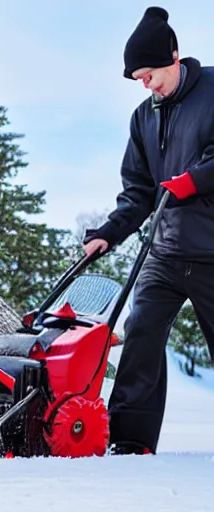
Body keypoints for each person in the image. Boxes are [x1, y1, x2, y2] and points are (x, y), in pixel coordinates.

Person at [82, 6, 214, 455]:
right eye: (138, 78)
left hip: (213, 251)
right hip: (165, 252)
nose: (145, 84)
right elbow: (138, 191)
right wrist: (109, 232)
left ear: (174, 56)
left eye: (150, 74)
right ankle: (130, 441)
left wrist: (194, 180)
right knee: (140, 335)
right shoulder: (143, 117)